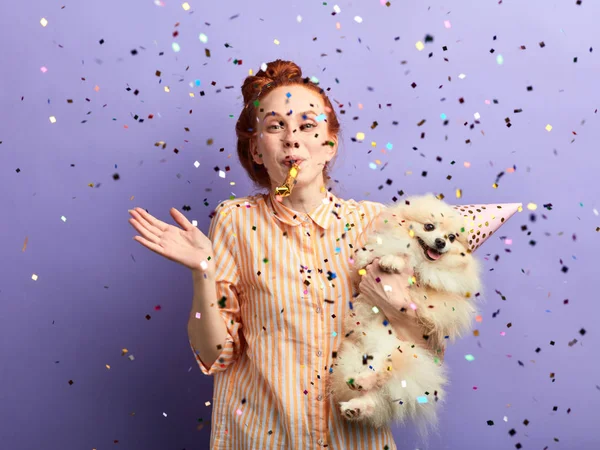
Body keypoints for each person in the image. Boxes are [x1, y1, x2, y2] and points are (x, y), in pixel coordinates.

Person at [128, 59, 413, 449]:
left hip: (354, 440)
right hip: (262, 438)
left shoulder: (374, 222)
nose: (292, 138)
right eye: (275, 125)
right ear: (257, 149)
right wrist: (204, 272)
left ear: (330, 143)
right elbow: (216, 355)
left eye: (307, 125)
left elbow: (410, 337)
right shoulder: (236, 221)